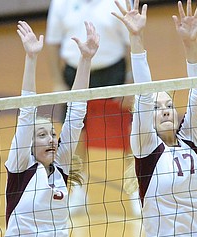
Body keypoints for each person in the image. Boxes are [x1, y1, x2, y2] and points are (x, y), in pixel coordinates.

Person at [113, 0, 197, 237]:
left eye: (169, 104)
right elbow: (144, 94)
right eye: (158, 108)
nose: (166, 110)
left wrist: (191, 43)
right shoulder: (146, 148)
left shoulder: (189, 139)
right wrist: (136, 37)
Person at [3, 20, 99, 237]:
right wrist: (31, 58)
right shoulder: (20, 167)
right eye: (42, 135)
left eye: (53, 135)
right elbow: (27, 114)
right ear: (30, 144)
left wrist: (85, 60)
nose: (51, 140)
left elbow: (76, 113)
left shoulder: (61, 167)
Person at [45, 0, 135, 215]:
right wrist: (57, 81)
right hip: (74, 75)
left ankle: (134, 190)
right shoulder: (60, 3)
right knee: (75, 135)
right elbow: (52, 44)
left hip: (114, 74)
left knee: (130, 134)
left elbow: (132, 40)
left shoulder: (119, 2)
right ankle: (78, 190)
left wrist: (131, 81)